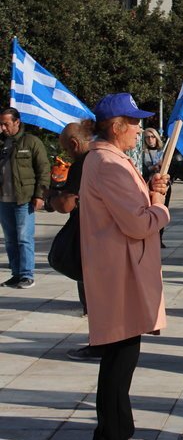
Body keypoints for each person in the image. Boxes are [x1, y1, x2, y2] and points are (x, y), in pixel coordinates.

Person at [80, 93, 170, 440]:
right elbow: (137, 223)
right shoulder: (109, 163)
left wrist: (151, 192)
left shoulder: (107, 158)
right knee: (121, 359)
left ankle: (111, 433)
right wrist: (161, 208)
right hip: (119, 273)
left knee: (119, 357)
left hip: (118, 269)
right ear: (116, 128)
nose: (139, 129)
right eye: (134, 123)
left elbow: (129, 208)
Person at [46, 123, 105, 362]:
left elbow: (69, 202)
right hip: (104, 234)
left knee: (91, 292)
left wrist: (52, 199)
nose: (67, 155)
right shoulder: (104, 158)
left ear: (74, 144)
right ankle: (106, 341)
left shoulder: (83, 163)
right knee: (101, 292)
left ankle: (99, 343)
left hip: (87, 234)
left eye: (66, 149)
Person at [0, 107, 50, 289]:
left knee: (24, 238)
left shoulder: (31, 142)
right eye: (1, 124)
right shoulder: (4, 144)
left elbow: (44, 169)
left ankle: (27, 275)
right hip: (4, 200)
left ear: (17, 122)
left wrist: (40, 195)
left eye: (6, 124)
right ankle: (16, 274)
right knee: (10, 240)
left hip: (24, 199)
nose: (3, 128)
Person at [142, 127, 170, 248]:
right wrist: (152, 168)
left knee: (162, 211)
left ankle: (160, 237)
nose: (150, 139)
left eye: (152, 136)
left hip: (162, 185)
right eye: (147, 137)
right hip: (148, 185)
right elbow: (142, 169)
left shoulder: (162, 151)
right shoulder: (142, 152)